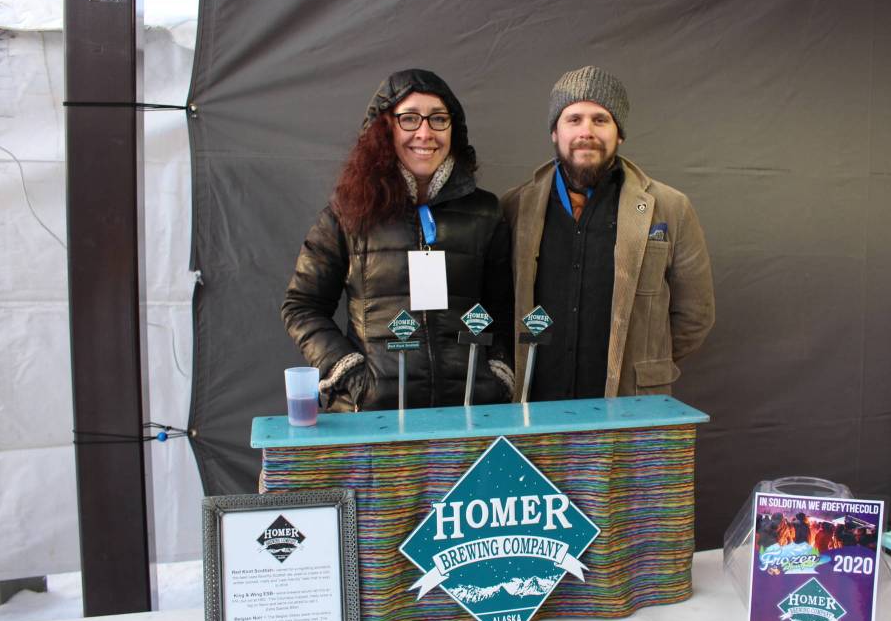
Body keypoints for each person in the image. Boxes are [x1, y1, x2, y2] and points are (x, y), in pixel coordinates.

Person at [282, 69, 513, 411]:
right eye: (409, 119)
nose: (425, 133)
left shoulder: (485, 212)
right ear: (384, 128)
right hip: (374, 416)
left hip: (469, 414)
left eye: (438, 119)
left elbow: (504, 307)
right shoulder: (348, 213)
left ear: (454, 128)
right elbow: (301, 305)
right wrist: (351, 374)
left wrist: (497, 372)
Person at [501, 66, 714, 400]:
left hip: (631, 402)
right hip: (534, 405)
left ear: (620, 133)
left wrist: (644, 356)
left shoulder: (670, 207)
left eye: (600, 119)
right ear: (555, 132)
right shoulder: (513, 207)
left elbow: (695, 315)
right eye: (574, 119)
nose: (587, 131)